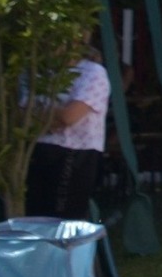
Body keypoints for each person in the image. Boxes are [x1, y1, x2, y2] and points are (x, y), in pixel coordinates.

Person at [25, 44, 110, 221]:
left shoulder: (92, 73)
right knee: (33, 216)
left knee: (62, 222)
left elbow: (69, 117)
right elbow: (21, 112)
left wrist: (39, 113)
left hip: (74, 154)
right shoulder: (34, 70)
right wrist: (53, 116)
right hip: (36, 149)